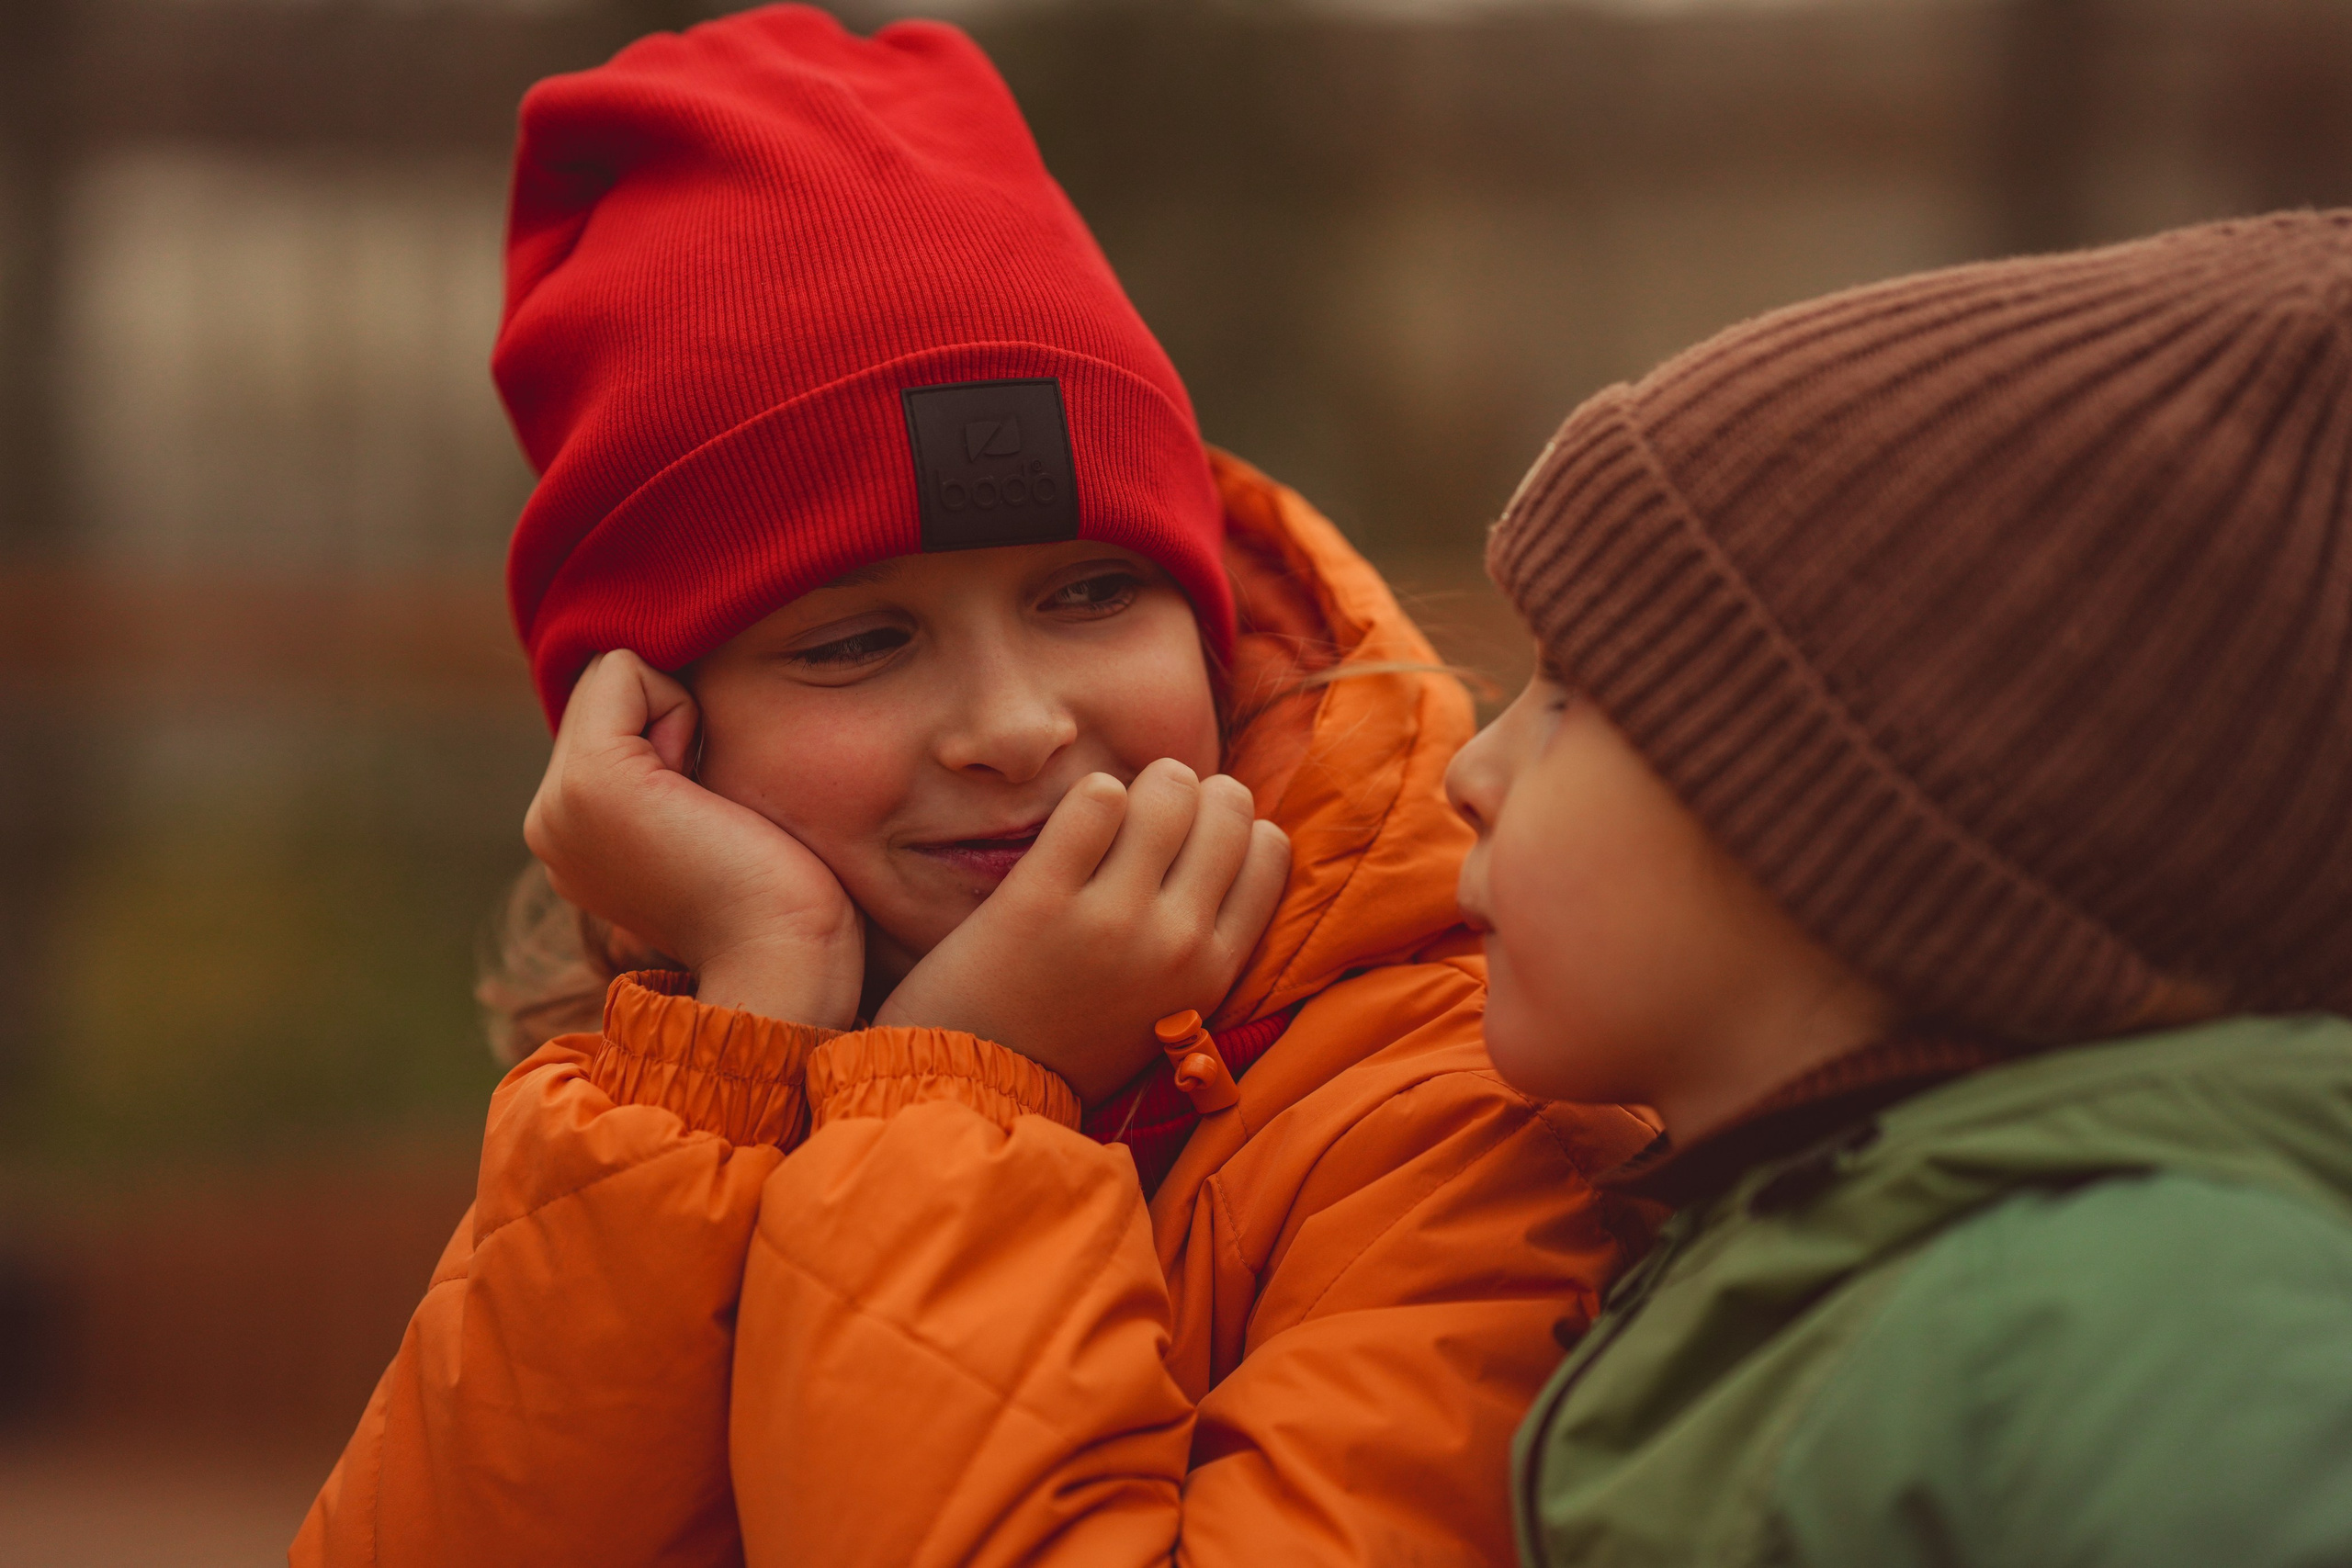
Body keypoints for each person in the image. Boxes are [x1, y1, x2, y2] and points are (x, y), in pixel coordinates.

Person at [292, 8, 1657, 1566]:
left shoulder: (1448, 1108)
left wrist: (957, 1097)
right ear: (656, 730)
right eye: (861, 642)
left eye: (1090, 595)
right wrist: (738, 1032)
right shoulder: (653, 1102)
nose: (1012, 726)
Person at [1449, 209, 2352, 1567]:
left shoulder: (2136, 1319)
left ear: (1871, 827)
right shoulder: (1811, 1243)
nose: (1470, 766)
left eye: (1570, 692)